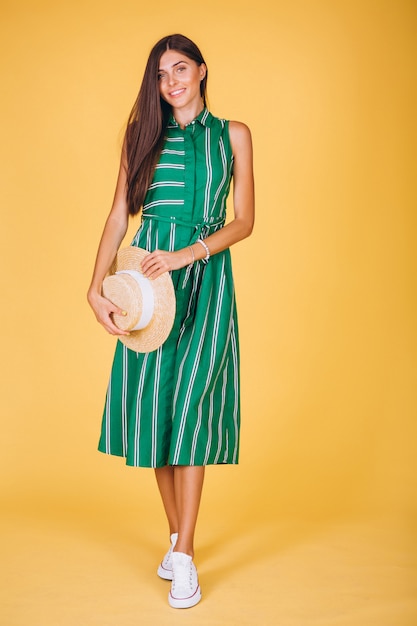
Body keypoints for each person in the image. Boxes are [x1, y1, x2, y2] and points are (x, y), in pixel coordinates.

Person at [87, 33, 254, 609]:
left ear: (202, 70)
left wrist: (189, 254)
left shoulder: (234, 136)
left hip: (204, 283)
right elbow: (117, 217)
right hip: (147, 290)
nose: (171, 82)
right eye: (161, 74)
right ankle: (179, 541)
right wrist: (94, 286)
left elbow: (245, 222)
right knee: (156, 419)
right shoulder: (145, 141)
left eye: (180, 69)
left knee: (189, 416)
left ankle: (183, 557)